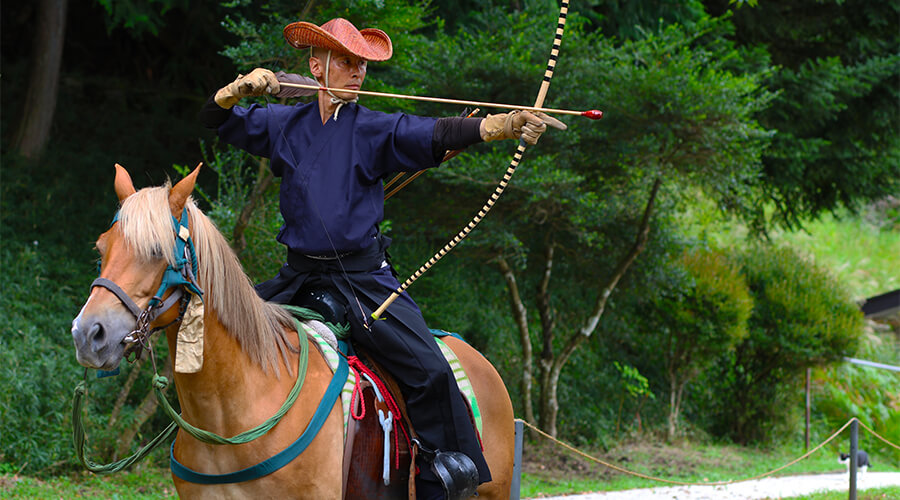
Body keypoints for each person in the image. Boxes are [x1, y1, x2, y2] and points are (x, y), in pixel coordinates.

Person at [199, 17, 563, 500]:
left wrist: (501, 125)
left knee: (430, 368)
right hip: (298, 277)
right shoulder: (283, 124)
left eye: (362, 64)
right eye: (346, 61)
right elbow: (214, 120)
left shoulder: (373, 128)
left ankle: (444, 473)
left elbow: (434, 133)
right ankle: (208, 450)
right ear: (317, 65)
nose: (357, 72)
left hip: (362, 280)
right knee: (212, 331)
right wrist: (237, 89)